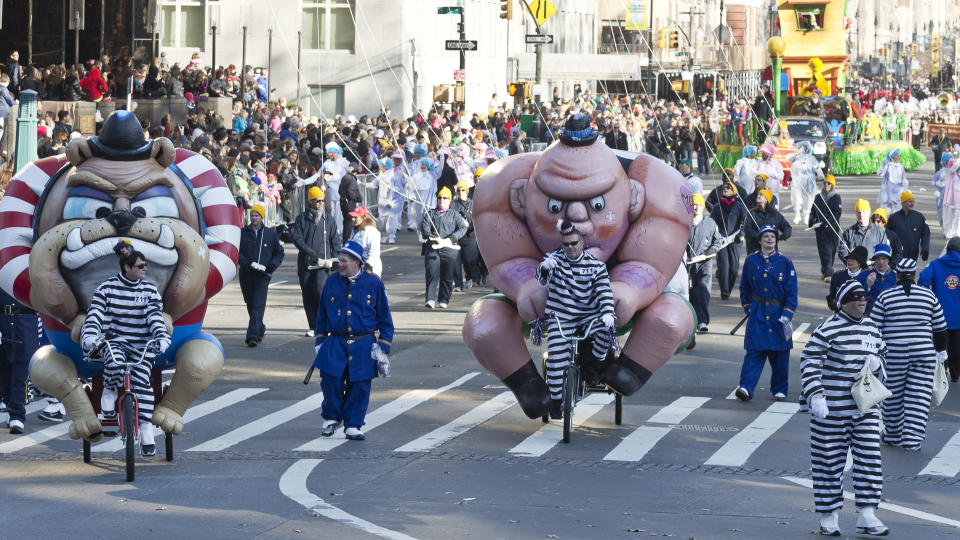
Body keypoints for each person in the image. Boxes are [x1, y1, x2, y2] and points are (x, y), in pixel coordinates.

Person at [800, 279, 889, 537]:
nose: (862, 300)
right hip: (831, 409)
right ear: (844, 302)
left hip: (865, 408)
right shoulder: (828, 328)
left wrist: (878, 366)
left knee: (870, 460)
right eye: (856, 296)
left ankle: (868, 513)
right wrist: (815, 394)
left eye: (864, 296)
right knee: (828, 461)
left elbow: (884, 358)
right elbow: (810, 359)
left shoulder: (873, 327)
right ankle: (829, 516)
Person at [80, 241, 171, 456]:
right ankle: (110, 390)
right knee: (114, 358)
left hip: (141, 344)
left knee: (142, 380)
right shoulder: (106, 288)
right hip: (115, 340)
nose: (144, 269)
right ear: (126, 268)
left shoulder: (149, 290)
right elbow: (95, 314)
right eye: (140, 266)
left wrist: (161, 336)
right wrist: (91, 335)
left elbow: (155, 316)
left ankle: (146, 430)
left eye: (145, 265)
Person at [312, 240, 394, 441]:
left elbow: (385, 319)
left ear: (357, 262)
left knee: (360, 386)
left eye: (344, 261)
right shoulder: (332, 281)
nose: (340, 264)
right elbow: (322, 313)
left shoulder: (373, 283)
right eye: (339, 260)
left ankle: (353, 424)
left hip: (363, 344)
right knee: (331, 381)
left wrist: (382, 346)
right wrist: (319, 341)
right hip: (335, 342)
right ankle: (331, 417)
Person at [536, 220, 616, 418]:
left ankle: (593, 364)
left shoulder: (596, 265)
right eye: (566, 244)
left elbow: (604, 291)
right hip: (561, 317)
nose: (570, 247)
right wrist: (544, 268)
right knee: (555, 359)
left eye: (574, 243)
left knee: (607, 331)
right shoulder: (554, 259)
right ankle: (556, 400)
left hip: (589, 317)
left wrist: (607, 312)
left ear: (582, 243)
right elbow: (541, 278)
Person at [872, 258, 947, 451]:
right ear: (914, 275)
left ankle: (893, 434)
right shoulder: (928, 296)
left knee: (892, 395)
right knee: (918, 396)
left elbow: (874, 328)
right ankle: (912, 439)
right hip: (923, 353)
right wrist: (940, 350)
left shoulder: (886, 296)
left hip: (894, 354)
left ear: (897, 275)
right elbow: (939, 327)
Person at [735, 225, 798, 401]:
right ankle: (746, 387)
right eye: (766, 236)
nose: (769, 239)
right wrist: (748, 307)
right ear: (760, 240)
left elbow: (792, 291)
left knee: (780, 354)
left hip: (779, 314)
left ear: (776, 241)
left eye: (772, 236)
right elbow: (745, 287)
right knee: (754, 351)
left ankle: (779, 388)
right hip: (758, 313)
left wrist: (788, 312)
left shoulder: (785, 262)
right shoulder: (751, 261)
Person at [290, 187, 340, 336]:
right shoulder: (301, 219)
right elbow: (297, 238)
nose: (320, 203)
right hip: (306, 262)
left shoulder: (329, 219)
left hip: (322, 264)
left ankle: (324, 324)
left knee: (320, 292)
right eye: (317, 201)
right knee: (307, 295)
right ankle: (313, 326)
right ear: (310, 202)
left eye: (323, 201)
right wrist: (308, 251)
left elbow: (335, 241)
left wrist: (336, 259)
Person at [237, 204, 285, 347]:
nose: (253, 218)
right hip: (246, 273)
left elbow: (279, 252)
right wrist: (246, 263)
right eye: (252, 215)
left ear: (262, 217)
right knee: (251, 304)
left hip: (263, 275)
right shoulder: (242, 233)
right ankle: (260, 327)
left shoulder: (270, 234)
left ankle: (252, 336)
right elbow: (236, 251)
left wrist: (271, 266)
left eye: (256, 215)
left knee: (258, 305)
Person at [919, 237, 960, 382]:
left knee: (941, 346)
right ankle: (956, 373)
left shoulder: (936, 264)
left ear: (947, 249)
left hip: (940, 315)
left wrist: (930, 298)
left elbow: (922, 280)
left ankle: (942, 372)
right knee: (957, 345)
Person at [420, 187, 468, 309]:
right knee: (432, 273)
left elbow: (463, 228)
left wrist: (450, 239)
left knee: (447, 276)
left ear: (449, 200)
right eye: (440, 198)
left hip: (449, 249)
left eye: (445, 198)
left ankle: (444, 299)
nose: (442, 200)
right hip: (433, 247)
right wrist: (432, 237)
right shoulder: (430, 213)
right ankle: (430, 299)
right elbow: (425, 228)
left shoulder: (455, 215)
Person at [0, 289, 40, 435]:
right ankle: (12, 409)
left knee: (20, 372)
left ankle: (17, 415)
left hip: (25, 322)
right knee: (4, 375)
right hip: (3, 321)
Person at [686, 193, 723, 332]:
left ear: (703, 207)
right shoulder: (684, 222)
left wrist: (711, 251)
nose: (696, 208)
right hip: (687, 264)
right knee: (688, 293)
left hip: (704, 264)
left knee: (702, 291)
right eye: (694, 205)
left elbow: (718, 241)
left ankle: (702, 321)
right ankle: (689, 322)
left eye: (699, 205)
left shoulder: (710, 223)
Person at [708, 181, 748, 300]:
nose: (725, 189)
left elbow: (746, 221)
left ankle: (729, 288)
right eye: (724, 188)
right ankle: (724, 292)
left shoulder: (740, 206)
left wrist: (741, 233)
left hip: (735, 240)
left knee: (734, 268)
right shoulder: (717, 207)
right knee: (723, 267)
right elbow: (711, 222)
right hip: (722, 240)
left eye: (729, 188)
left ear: (734, 191)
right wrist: (715, 235)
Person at [809, 175, 843, 281]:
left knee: (832, 251)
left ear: (832, 185)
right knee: (825, 251)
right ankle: (829, 273)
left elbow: (837, 214)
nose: (826, 185)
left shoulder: (836, 197)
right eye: (825, 183)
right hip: (821, 230)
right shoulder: (818, 197)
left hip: (832, 230)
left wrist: (827, 222)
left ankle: (825, 270)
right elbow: (812, 211)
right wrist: (812, 221)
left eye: (829, 183)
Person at [451, 181, 484, 289]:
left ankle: (476, 278)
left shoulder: (473, 204)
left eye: (463, 190)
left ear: (467, 191)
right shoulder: (453, 204)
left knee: (471, 259)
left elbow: (479, 219)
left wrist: (471, 216)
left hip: (470, 235)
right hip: (458, 235)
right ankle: (468, 277)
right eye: (459, 190)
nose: (461, 192)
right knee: (461, 260)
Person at [886, 190, 930, 262]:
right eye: (910, 202)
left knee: (910, 272)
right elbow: (887, 235)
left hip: (913, 255)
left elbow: (926, 233)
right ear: (903, 202)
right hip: (897, 255)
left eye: (913, 202)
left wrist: (925, 248)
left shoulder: (919, 217)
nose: (912, 204)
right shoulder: (893, 218)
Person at [787, 140, 824, 224]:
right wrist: (798, 152)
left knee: (809, 199)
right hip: (797, 183)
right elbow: (787, 158)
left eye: (805, 147)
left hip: (809, 183)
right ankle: (797, 215)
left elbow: (817, 167)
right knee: (796, 198)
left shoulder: (811, 158)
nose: (803, 148)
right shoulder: (795, 157)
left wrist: (821, 175)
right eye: (802, 147)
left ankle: (806, 216)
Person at [827, 246, 870, 312]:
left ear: (860, 263)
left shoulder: (868, 277)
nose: (849, 260)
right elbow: (831, 300)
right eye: (848, 258)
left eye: (853, 259)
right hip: (841, 315)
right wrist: (838, 304)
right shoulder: (837, 276)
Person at [347, 206, 382, 277]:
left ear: (363, 217)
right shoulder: (354, 230)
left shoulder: (371, 231)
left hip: (370, 268)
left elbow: (374, 251)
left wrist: (368, 266)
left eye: (356, 217)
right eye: (352, 217)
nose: (353, 219)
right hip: (357, 267)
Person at [877, 149, 907, 214]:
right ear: (892, 157)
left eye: (899, 156)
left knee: (897, 208)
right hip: (888, 191)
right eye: (897, 156)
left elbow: (904, 178)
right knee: (886, 209)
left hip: (898, 191)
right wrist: (883, 165)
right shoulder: (888, 165)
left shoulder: (900, 166)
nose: (898, 157)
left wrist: (905, 188)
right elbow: (879, 173)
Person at [931, 153, 953, 228]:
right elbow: (933, 182)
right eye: (948, 161)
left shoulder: (954, 173)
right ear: (945, 162)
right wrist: (939, 183)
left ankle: (949, 229)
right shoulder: (940, 173)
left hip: (951, 197)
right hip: (941, 197)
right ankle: (943, 226)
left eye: (951, 161)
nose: (950, 163)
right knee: (941, 215)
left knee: (950, 214)